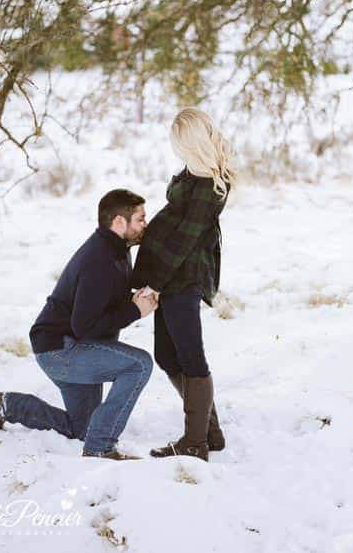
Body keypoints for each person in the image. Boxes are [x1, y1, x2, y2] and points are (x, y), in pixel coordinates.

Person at [0, 189, 157, 461]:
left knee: (82, 427)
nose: (145, 224)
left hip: (70, 345)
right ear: (119, 222)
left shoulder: (117, 250)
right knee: (140, 364)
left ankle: (5, 405)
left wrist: (132, 300)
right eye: (140, 219)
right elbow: (85, 326)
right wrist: (134, 310)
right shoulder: (99, 260)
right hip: (61, 350)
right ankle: (100, 447)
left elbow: (103, 301)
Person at [132, 108, 235, 461]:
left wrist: (156, 284)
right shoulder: (194, 173)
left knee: (191, 357)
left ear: (191, 143)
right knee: (166, 354)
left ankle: (196, 442)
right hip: (170, 275)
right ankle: (209, 431)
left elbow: (185, 241)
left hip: (183, 278)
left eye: (179, 142)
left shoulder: (209, 185)